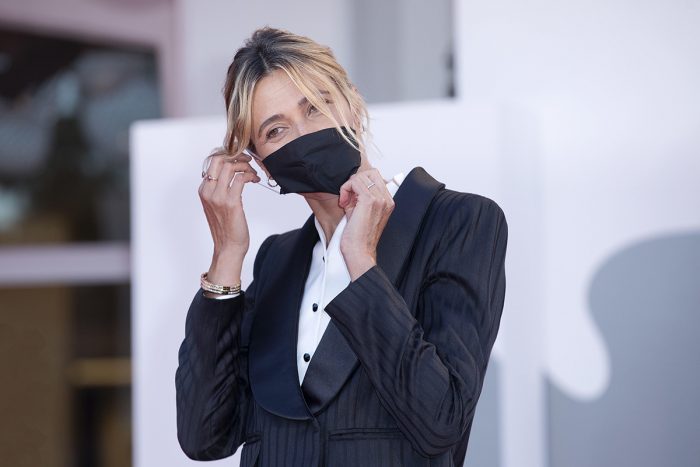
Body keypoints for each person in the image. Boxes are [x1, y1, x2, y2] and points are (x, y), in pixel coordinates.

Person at [175, 26, 508, 467]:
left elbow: (441, 421)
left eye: (315, 108)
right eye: (276, 130)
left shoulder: (458, 222)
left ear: (351, 101)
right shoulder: (275, 262)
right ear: (262, 164)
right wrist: (227, 255)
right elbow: (203, 436)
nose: (303, 135)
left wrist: (362, 263)